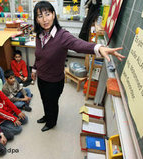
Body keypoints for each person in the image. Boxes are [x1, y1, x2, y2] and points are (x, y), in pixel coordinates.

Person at [31, 1, 125, 132]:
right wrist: (35, 68)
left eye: (47, 14)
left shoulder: (62, 35)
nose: (45, 19)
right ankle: (47, 116)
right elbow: (39, 55)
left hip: (54, 81)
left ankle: (51, 122)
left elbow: (79, 45)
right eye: (40, 16)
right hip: (42, 78)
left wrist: (99, 47)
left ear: (53, 15)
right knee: (44, 100)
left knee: (52, 102)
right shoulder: (39, 35)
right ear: (36, 19)